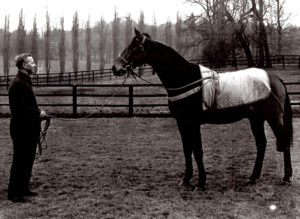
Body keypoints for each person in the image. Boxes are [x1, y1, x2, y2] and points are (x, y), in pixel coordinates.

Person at [7, 53, 49, 202]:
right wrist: (39, 113)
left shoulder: (24, 81)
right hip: (21, 128)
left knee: (28, 159)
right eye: (32, 63)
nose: (35, 65)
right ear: (24, 66)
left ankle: (23, 188)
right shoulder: (18, 83)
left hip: (28, 127)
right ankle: (14, 193)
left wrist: (37, 114)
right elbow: (21, 109)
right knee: (20, 160)